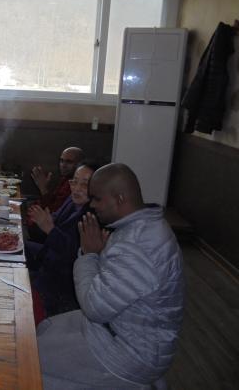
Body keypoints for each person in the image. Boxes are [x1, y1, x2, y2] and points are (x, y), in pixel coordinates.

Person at [37, 163, 184, 389]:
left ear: (119, 198)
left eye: (97, 199)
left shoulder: (137, 246)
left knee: (29, 361)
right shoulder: (144, 224)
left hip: (127, 352)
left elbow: (94, 308)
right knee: (44, 329)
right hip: (115, 328)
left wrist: (88, 255)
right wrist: (99, 255)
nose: (92, 205)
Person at [25, 162, 96, 319]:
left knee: (21, 278)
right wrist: (44, 219)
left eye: (85, 184)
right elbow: (55, 218)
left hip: (63, 276)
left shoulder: (92, 217)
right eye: (74, 181)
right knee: (19, 248)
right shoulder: (72, 200)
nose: (76, 188)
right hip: (49, 256)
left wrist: (49, 229)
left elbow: (75, 253)